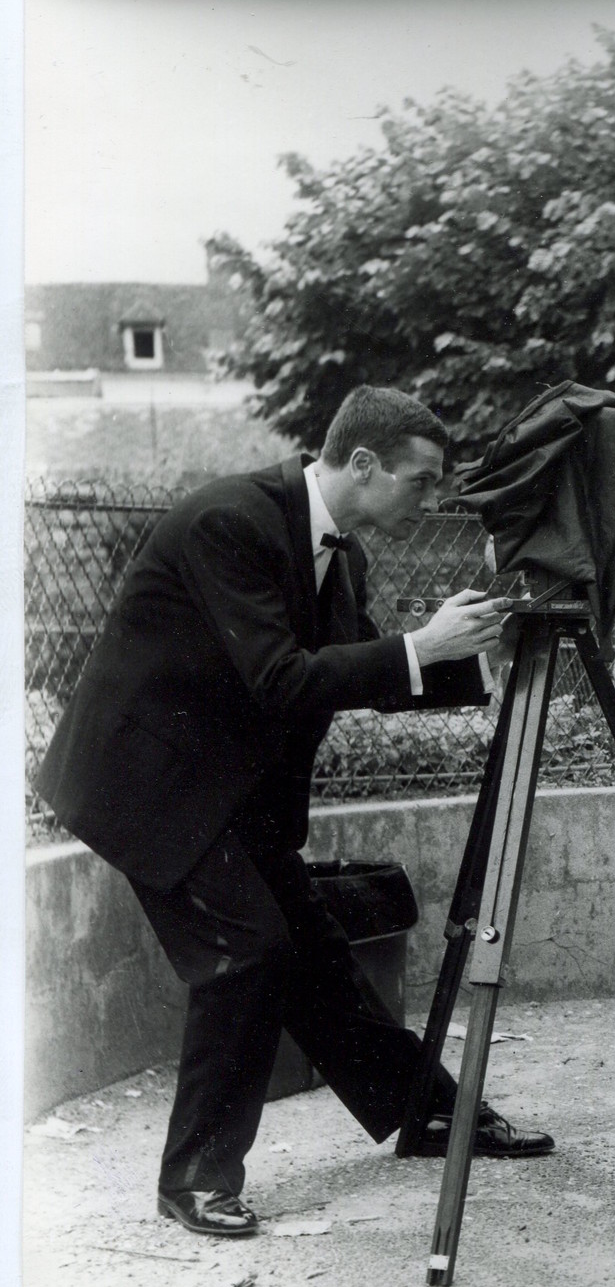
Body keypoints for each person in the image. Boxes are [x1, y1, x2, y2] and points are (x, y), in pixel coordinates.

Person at [38, 386, 555, 1239]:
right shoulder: (229, 523)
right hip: (148, 790)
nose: (430, 500)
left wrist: (476, 658)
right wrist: (418, 646)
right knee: (248, 953)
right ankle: (192, 1180)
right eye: (421, 482)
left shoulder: (339, 553)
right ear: (363, 464)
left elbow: (363, 672)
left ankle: (425, 1113)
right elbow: (282, 678)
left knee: (310, 949)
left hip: (230, 795)